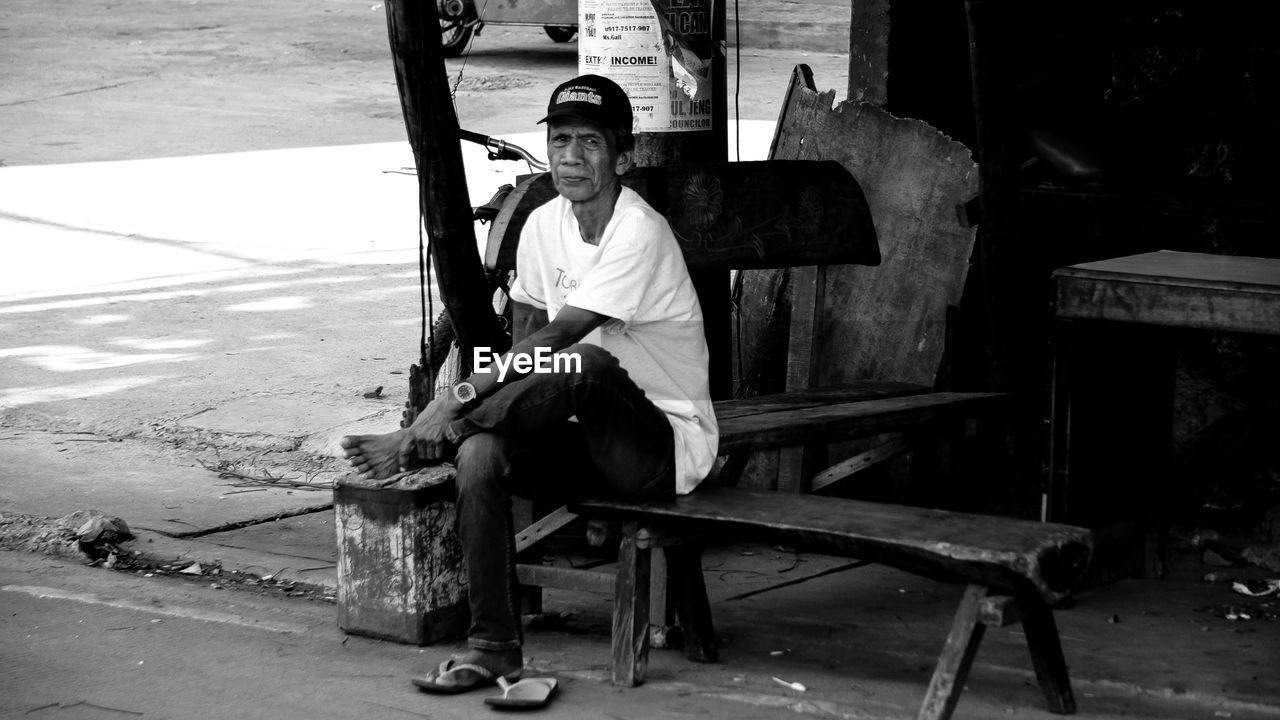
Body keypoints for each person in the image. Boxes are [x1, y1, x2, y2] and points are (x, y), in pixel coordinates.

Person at [340, 74, 718, 694]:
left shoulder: (639, 230)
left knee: (585, 366)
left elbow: (561, 339)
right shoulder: (544, 224)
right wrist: (485, 413)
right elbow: (523, 338)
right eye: (560, 139)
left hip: (660, 449)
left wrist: (454, 399)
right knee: (482, 455)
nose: (570, 156)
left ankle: (422, 438)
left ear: (622, 156)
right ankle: (493, 649)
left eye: (590, 143)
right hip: (580, 435)